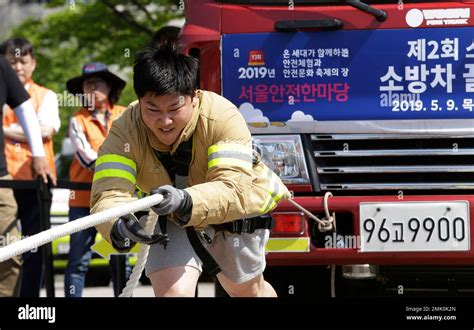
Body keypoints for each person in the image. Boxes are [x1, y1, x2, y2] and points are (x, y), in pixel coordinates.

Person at [90, 43, 290, 297]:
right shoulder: (124, 130)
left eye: (175, 109)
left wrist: (185, 200)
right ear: (139, 101)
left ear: (194, 97)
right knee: (173, 294)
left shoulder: (222, 116)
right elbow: (109, 193)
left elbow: (232, 188)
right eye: (152, 109)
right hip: (167, 215)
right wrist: (118, 224)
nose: (165, 121)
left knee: (247, 291)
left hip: (231, 213)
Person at [0, 38, 60, 297]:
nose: (17, 66)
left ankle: (31, 299)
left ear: (33, 64)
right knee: (8, 245)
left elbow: (46, 129)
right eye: (12, 61)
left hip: (36, 181)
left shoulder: (46, 95)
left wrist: (6, 130)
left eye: (23, 61)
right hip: (8, 180)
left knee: (34, 246)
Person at [64, 62, 130, 297]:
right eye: (87, 84)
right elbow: (84, 157)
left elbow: (135, 150)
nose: (91, 88)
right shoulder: (77, 119)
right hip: (83, 200)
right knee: (78, 261)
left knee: (121, 259)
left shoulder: (126, 113)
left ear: (109, 86)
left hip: (119, 199)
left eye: (97, 83)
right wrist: (117, 165)